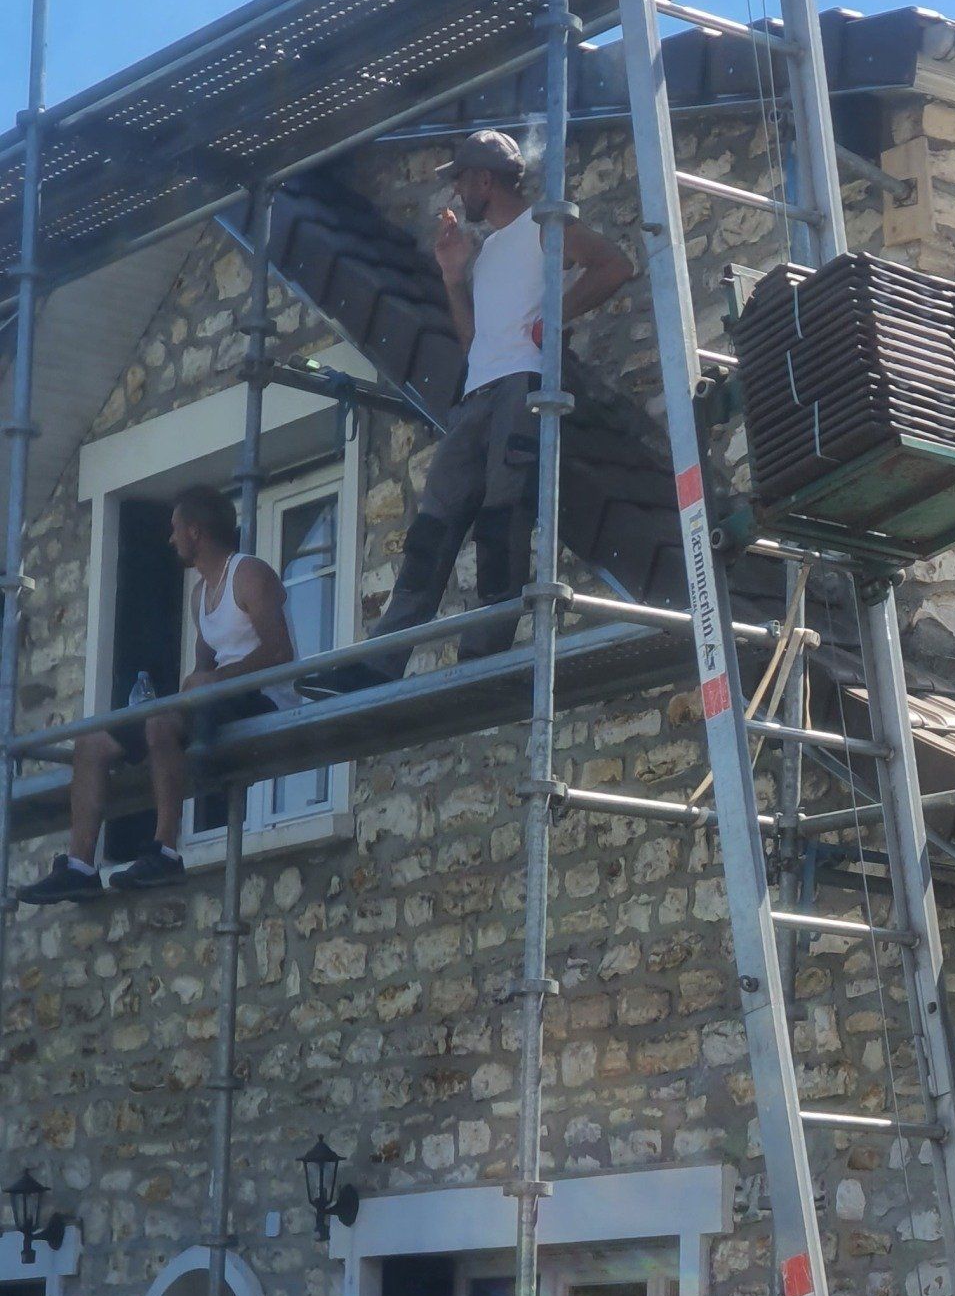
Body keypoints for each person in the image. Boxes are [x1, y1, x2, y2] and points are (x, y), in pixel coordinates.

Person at [305, 128, 634, 694]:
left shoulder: (544, 225)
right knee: (431, 530)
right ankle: (380, 661)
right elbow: (474, 344)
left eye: (461, 179)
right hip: (479, 393)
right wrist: (453, 278)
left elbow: (613, 265)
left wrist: (555, 317)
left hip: (523, 388)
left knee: (502, 523)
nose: (456, 191)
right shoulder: (488, 252)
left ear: (485, 179)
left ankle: (484, 655)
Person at [18, 483, 296, 906]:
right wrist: (197, 685)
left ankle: (165, 851)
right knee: (92, 743)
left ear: (195, 532)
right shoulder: (201, 595)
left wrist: (215, 681)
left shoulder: (249, 574)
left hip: (263, 698)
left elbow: (279, 653)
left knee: (161, 723)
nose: (170, 539)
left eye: (175, 529)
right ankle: (79, 867)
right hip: (220, 700)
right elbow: (204, 669)